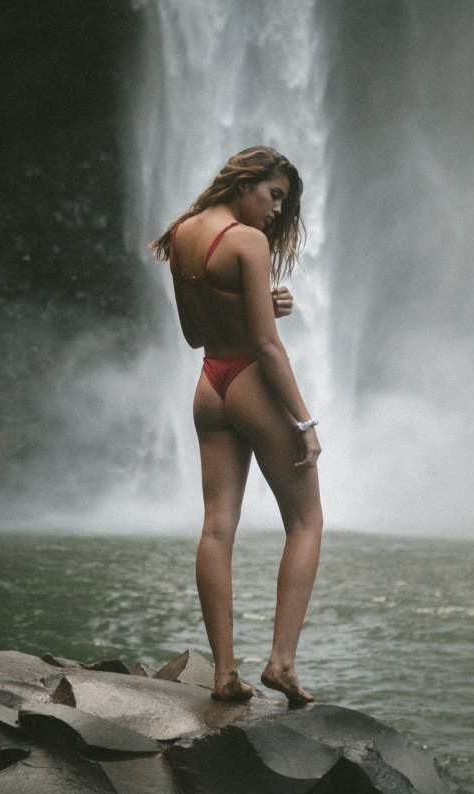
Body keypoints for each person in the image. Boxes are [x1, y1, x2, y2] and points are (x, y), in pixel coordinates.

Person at [151, 146, 322, 705]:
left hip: (210, 386)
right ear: (245, 183)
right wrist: (305, 421)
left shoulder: (180, 235)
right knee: (306, 522)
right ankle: (281, 664)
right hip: (250, 380)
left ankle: (224, 673)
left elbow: (194, 336)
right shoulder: (247, 241)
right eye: (274, 196)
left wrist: (259, 305)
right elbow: (268, 349)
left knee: (217, 527)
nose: (276, 212)